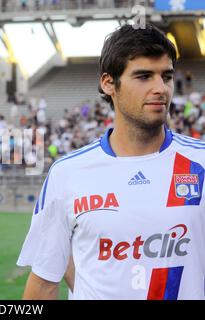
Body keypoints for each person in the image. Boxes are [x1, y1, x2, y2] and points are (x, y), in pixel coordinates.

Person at [18, 23, 205, 300]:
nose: (160, 88)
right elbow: (45, 282)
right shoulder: (68, 173)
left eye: (166, 76)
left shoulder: (199, 161)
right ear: (108, 83)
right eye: (143, 76)